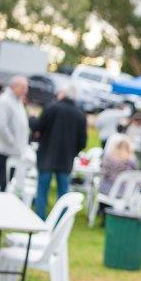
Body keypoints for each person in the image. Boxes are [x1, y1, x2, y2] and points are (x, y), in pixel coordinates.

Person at [33, 84, 87, 220]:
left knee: (42, 190)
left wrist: (32, 119)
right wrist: (73, 152)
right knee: (63, 192)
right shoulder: (79, 114)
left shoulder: (51, 108)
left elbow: (38, 127)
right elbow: (82, 141)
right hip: (65, 159)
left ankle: (40, 218)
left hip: (47, 155)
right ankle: (62, 219)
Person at [0, 76, 29, 191]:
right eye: (22, 87)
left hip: (13, 152)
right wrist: (12, 141)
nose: (25, 90)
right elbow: (1, 125)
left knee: (8, 182)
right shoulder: (5, 100)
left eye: (26, 87)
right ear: (13, 86)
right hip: (5, 151)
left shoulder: (17, 101)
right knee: (0, 183)